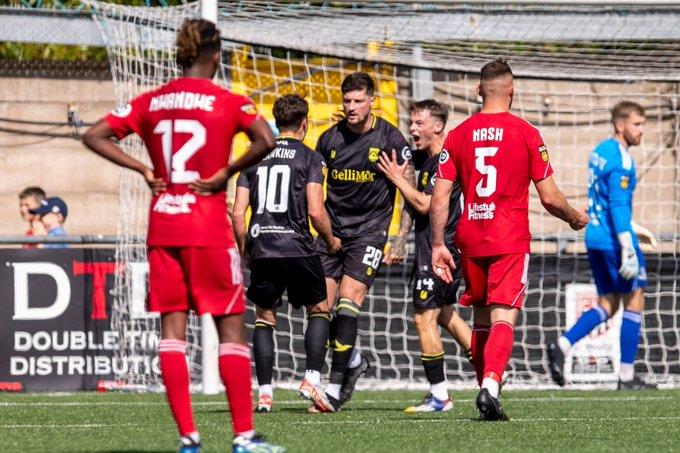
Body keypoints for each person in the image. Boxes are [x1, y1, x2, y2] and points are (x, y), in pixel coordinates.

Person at [82, 19, 285, 453]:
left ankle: (188, 437)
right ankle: (244, 436)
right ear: (214, 54)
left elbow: (94, 133)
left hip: (164, 226)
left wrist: (142, 169)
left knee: (172, 332)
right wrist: (226, 172)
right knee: (230, 331)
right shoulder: (228, 101)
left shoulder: (151, 102)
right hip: (207, 228)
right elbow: (266, 139)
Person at [430, 59, 589, 421]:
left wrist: (438, 243)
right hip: (509, 237)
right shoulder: (527, 133)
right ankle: (490, 387)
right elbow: (549, 197)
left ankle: (485, 390)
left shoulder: (457, 134)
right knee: (504, 315)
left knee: (482, 317)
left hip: (469, 236)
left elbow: (440, 197)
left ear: (478, 90)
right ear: (512, 91)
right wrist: (575, 217)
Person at [311, 71, 415, 412]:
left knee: (347, 303)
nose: (352, 107)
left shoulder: (390, 139)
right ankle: (353, 360)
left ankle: (335, 389)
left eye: (358, 101)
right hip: (332, 235)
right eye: (347, 101)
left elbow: (408, 189)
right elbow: (312, 190)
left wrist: (400, 239)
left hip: (369, 233)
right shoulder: (329, 140)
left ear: (372, 100)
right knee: (321, 311)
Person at [232, 94, 342, 413]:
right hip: (297, 246)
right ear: (304, 124)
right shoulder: (310, 157)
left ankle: (264, 394)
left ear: (276, 123)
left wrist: (245, 249)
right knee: (319, 309)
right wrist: (332, 240)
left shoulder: (252, 158)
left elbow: (238, 214)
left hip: (263, 246)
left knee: (265, 318)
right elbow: (316, 211)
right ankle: (310, 378)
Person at [547, 101, 657, 390]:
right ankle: (626, 376)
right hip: (613, 240)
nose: (642, 131)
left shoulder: (599, 152)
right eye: (637, 124)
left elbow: (603, 200)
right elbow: (619, 207)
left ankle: (562, 344)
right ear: (620, 125)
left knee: (608, 303)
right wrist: (628, 246)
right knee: (635, 299)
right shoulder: (622, 160)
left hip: (595, 237)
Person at [377, 99, 473, 412]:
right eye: (412, 122)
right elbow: (411, 207)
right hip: (429, 247)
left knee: (423, 317)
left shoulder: (445, 160)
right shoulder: (426, 160)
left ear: (438, 126)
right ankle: (490, 368)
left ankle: (440, 397)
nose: (413, 128)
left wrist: (397, 178)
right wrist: (401, 239)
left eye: (420, 123)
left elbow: (425, 205)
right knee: (443, 313)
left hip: (442, 248)